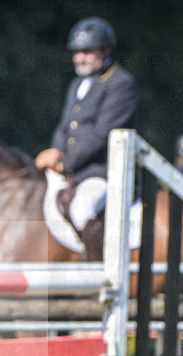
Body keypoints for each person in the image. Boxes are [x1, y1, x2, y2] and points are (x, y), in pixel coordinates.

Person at [35, 17, 138, 260]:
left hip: (104, 171)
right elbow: (65, 127)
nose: (79, 58)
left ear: (105, 50)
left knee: (82, 208)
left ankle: (96, 270)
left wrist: (65, 163)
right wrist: (54, 152)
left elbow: (101, 134)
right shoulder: (77, 84)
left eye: (86, 52)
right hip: (74, 168)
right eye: (76, 52)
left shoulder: (121, 83)